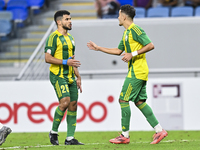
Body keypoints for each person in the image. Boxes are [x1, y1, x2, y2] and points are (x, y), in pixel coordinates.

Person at [87, 4, 168, 144]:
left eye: (119, 15)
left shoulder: (135, 29)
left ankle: (125, 135)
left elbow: (150, 45)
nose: (118, 18)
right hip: (138, 71)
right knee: (140, 102)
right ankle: (159, 130)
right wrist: (98, 48)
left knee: (123, 100)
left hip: (137, 71)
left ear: (124, 16)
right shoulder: (126, 33)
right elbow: (118, 51)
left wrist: (133, 54)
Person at [44, 10, 84, 145]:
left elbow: (72, 60)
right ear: (59, 22)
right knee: (65, 102)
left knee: (73, 105)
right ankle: (53, 132)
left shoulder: (71, 38)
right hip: (58, 75)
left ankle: (70, 138)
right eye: (67, 19)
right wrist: (66, 62)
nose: (70, 21)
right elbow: (47, 58)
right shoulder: (53, 37)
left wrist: (78, 76)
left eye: (70, 19)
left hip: (71, 76)